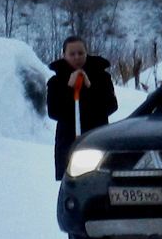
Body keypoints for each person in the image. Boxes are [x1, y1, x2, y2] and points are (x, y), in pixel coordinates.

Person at [47, 35, 117, 179]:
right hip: (68, 142)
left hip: (97, 138)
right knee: (71, 184)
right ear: (64, 55)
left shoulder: (102, 77)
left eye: (81, 53)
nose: (77, 57)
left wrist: (90, 88)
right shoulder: (56, 82)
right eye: (72, 54)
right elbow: (54, 112)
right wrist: (69, 89)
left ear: (86, 53)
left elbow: (111, 106)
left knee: (99, 181)